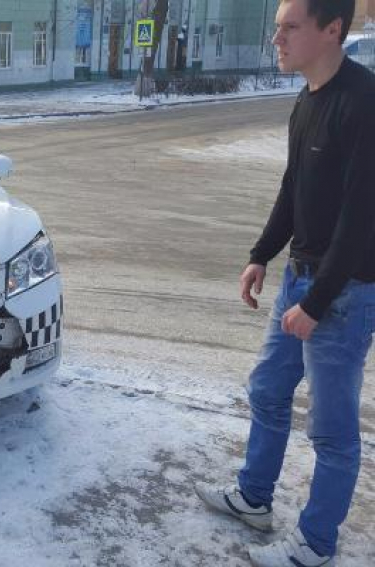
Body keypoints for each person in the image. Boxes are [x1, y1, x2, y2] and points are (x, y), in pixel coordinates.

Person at [194, 0, 375, 565]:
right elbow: (294, 187)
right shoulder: (307, 99)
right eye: (277, 27)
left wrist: (317, 302)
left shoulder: (364, 102)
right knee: (269, 391)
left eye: (289, 27)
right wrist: (261, 254)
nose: (277, 38)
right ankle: (253, 497)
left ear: (332, 30)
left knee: (332, 431)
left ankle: (316, 545)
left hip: (343, 293)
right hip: (299, 279)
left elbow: (361, 217)